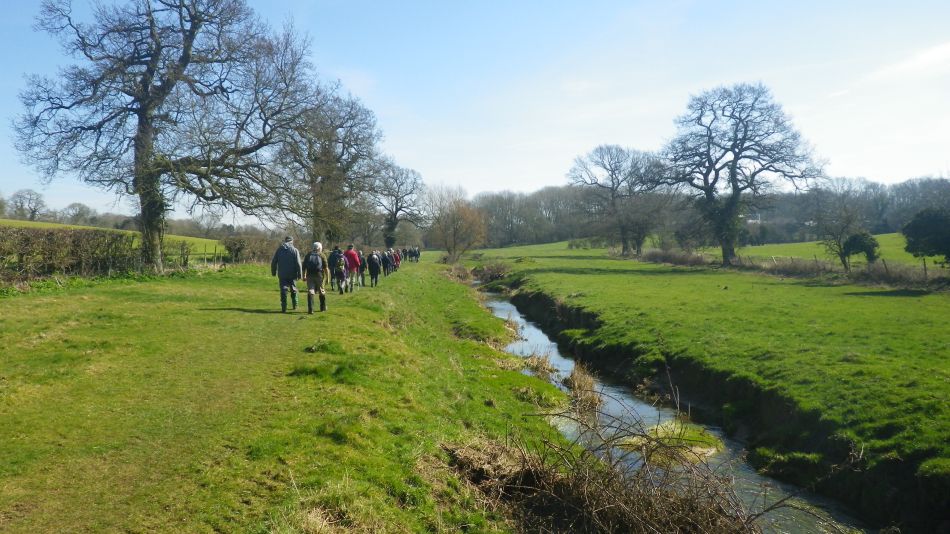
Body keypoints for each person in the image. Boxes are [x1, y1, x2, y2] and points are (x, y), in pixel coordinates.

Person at [270, 236, 302, 313]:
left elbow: (273, 262)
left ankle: (283, 307)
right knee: (293, 289)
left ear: (285, 241)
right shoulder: (295, 250)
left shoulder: (279, 250)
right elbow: (298, 263)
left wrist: (273, 272)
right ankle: (295, 305)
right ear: (292, 241)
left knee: (283, 289)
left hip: (282, 274)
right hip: (292, 274)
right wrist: (300, 274)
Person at [302, 241, 329, 313]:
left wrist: (304, 275)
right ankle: (323, 308)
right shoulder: (322, 255)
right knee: (321, 291)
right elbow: (326, 268)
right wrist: (327, 278)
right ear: (320, 248)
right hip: (319, 275)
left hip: (310, 275)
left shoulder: (308, 255)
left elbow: (304, 267)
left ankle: (311, 309)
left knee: (311, 291)